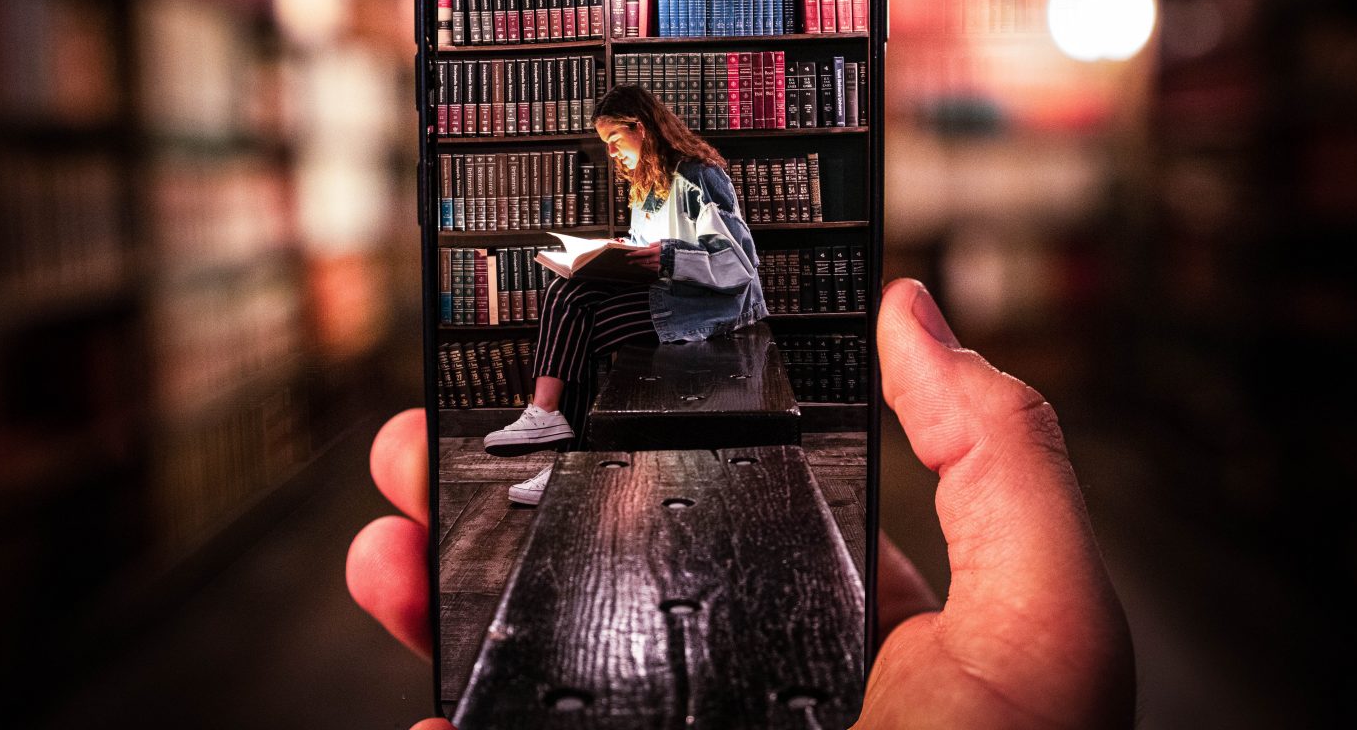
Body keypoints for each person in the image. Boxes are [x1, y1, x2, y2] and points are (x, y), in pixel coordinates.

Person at [347, 279, 1136, 728]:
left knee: (586, 311)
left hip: (703, 316)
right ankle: (567, 448)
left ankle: (561, 436)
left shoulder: (699, 184)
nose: (618, 156)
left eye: (624, 142)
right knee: (581, 310)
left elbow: (722, 269)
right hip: (676, 311)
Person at [480, 84, 768, 505]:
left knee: (577, 335)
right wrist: (625, 250)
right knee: (567, 287)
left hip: (709, 303)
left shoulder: (698, 176)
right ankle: (554, 433)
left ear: (642, 128)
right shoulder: (647, 183)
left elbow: (738, 263)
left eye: (614, 140)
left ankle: (565, 455)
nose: (611, 153)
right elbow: (648, 242)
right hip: (668, 291)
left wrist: (665, 257)